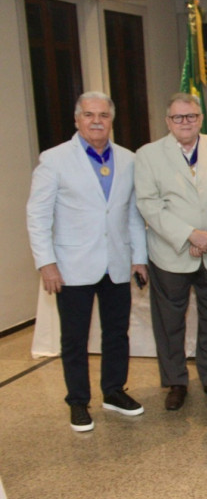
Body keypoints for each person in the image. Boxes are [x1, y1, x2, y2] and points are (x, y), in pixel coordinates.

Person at [26, 91, 148, 431]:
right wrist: (46, 262)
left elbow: (132, 215)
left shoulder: (128, 159)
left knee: (117, 333)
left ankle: (113, 391)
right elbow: (37, 215)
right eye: (89, 115)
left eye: (103, 115)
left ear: (111, 120)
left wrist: (139, 258)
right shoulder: (54, 159)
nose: (97, 121)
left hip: (116, 263)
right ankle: (78, 402)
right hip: (71, 266)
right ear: (77, 119)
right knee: (75, 339)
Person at [135, 93, 207, 411]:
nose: (186, 122)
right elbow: (148, 204)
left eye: (192, 116)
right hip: (170, 253)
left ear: (200, 119)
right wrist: (189, 235)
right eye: (178, 117)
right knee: (169, 321)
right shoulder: (148, 155)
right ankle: (176, 382)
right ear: (168, 121)